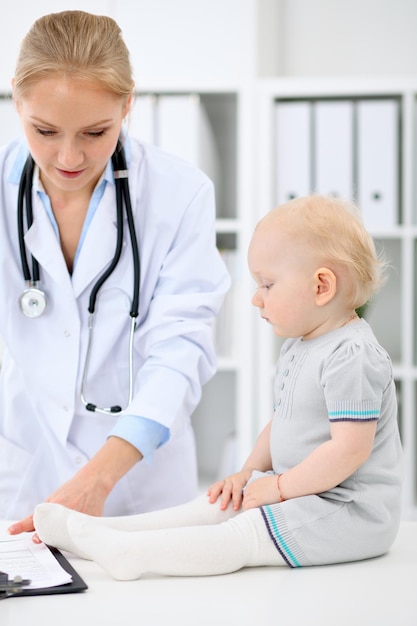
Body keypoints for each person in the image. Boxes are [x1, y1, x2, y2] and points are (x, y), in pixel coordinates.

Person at [33, 194, 403, 579]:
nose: (255, 298)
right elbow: (283, 423)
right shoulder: (303, 344)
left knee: (244, 534)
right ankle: (106, 532)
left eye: (268, 284)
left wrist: (277, 488)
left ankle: (133, 553)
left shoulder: (353, 355)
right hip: (304, 493)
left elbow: (348, 450)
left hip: (350, 511)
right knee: (219, 504)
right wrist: (248, 474)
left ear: (322, 286)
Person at [1, 11, 230, 534]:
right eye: (45, 130)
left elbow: (181, 349)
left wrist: (99, 478)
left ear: (128, 104)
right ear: (17, 99)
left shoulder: (178, 193)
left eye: (95, 131)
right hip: (25, 467)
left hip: (137, 487)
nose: (68, 156)